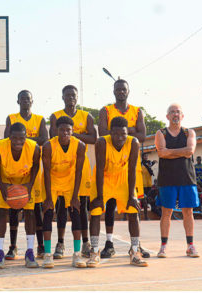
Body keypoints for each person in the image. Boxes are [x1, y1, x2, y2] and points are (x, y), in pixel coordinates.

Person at [97, 79, 150, 259]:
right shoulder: (106, 110)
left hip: (130, 167)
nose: (121, 92)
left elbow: (142, 136)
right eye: (118, 89)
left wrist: (122, 131)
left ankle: (136, 246)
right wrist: (130, 129)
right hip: (110, 166)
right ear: (113, 91)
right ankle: (109, 243)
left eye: (124, 89)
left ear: (128, 91)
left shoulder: (137, 111)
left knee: (133, 206)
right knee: (110, 206)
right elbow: (103, 133)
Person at [48, 85, 98, 262]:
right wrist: (78, 134)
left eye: (73, 95)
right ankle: (60, 243)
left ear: (77, 97)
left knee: (81, 207)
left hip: (80, 167)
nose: (70, 98)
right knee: (61, 206)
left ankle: (85, 243)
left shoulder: (87, 116)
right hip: (61, 168)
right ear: (62, 97)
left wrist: (72, 134)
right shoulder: (55, 116)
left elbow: (94, 138)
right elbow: (55, 137)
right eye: (67, 95)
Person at [92, 117, 147, 267]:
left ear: (127, 132)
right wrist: (99, 196)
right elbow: (99, 170)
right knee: (96, 211)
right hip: (105, 178)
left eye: (123, 134)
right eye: (116, 134)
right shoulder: (102, 142)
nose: (120, 138)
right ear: (110, 133)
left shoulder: (133, 142)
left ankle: (135, 251)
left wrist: (131, 196)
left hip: (123, 179)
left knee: (133, 211)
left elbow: (131, 170)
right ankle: (94, 251)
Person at [0, 123, 44, 269]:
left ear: (26, 137)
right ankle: (0, 251)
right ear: (9, 138)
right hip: (6, 181)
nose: (18, 142)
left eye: (21, 138)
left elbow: (36, 166)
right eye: (14, 138)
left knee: (30, 213)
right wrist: (1, 186)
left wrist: (30, 185)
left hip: (25, 181)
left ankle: (30, 251)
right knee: (2, 213)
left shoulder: (34, 147)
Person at [4, 90, 49, 260]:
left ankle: (40, 246)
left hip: (33, 170)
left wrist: (22, 140)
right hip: (14, 170)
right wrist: (32, 140)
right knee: (14, 210)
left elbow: (44, 139)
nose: (25, 101)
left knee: (36, 211)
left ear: (32, 101)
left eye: (28, 99)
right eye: (22, 99)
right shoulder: (12, 118)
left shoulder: (39, 119)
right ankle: (13, 246)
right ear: (18, 101)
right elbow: (9, 138)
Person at [154, 103, 200, 258]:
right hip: (167, 179)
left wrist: (170, 152)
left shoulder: (189, 133)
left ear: (182, 115)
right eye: (172, 112)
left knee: (188, 212)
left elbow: (190, 151)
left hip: (187, 178)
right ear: (167, 116)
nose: (175, 114)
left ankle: (190, 246)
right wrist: (180, 152)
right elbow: (161, 153)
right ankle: (163, 246)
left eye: (178, 112)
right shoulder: (161, 133)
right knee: (166, 212)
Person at [42, 116, 88, 267]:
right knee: (48, 213)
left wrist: (75, 196)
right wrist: (48, 197)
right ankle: (48, 254)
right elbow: (47, 172)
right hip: (52, 182)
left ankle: (76, 254)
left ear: (72, 131)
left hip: (70, 181)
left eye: (68, 130)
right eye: (62, 130)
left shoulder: (80, 145)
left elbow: (79, 171)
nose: (65, 133)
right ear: (56, 131)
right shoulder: (48, 146)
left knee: (76, 213)